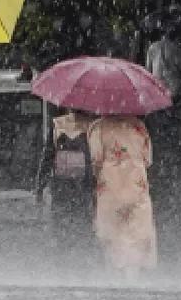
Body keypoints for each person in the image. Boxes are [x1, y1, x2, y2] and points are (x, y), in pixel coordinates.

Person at [86, 115, 158, 278]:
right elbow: (147, 159)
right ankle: (133, 274)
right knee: (136, 231)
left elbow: (96, 159)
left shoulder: (98, 127)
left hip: (111, 186)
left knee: (112, 231)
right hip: (136, 185)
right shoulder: (139, 126)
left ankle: (114, 273)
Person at [36, 108, 98, 263]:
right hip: (84, 182)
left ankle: (63, 257)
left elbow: (48, 155)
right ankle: (81, 259)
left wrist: (40, 185)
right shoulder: (93, 126)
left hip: (62, 183)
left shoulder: (58, 124)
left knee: (61, 221)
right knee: (83, 221)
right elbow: (96, 157)